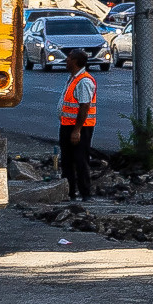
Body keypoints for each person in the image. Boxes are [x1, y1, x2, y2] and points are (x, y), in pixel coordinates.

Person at [57, 47, 99, 198]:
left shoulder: (84, 81)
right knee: (67, 160)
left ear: (75, 61)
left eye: (68, 58)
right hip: (68, 125)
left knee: (80, 160)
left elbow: (84, 106)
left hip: (79, 128)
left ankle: (84, 193)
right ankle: (70, 192)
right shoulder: (74, 78)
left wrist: (77, 130)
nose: (66, 60)